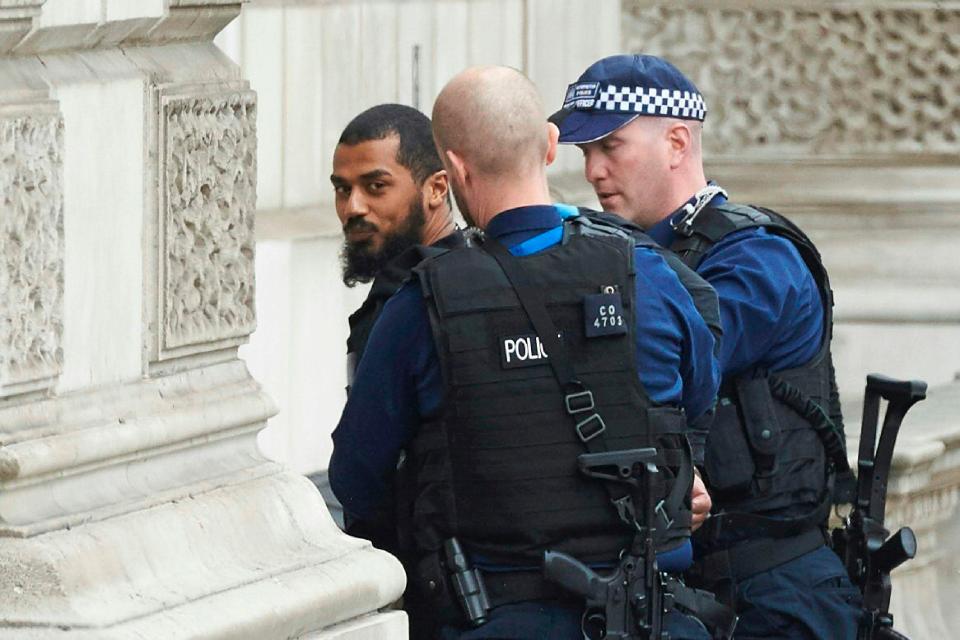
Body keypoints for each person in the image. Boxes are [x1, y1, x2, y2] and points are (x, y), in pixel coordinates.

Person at [330, 65, 727, 640]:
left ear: (455, 168)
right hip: (651, 618)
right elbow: (697, 398)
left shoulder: (423, 303)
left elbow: (357, 479)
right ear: (548, 146)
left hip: (497, 616)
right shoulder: (649, 274)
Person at [551, 53, 862, 639]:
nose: (592, 171)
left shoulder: (757, 257)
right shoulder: (623, 257)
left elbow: (661, 362)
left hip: (774, 589)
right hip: (689, 588)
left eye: (609, 146)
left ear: (675, 142)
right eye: (584, 153)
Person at [324, 103, 464, 552]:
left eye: (375, 186)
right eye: (342, 190)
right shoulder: (398, 290)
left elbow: (358, 478)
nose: (353, 207)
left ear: (436, 188)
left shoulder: (430, 297)